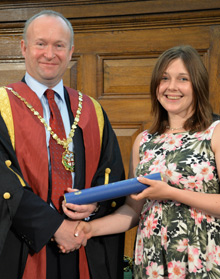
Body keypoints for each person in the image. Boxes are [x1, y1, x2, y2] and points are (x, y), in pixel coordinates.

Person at [66, 45, 220, 278]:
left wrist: (171, 192)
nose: (171, 87)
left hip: (203, 257)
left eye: (183, 79)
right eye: (164, 78)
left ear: (197, 85)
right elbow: (133, 210)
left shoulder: (215, 133)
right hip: (152, 260)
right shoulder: (144, 141)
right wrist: (89, 229)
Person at [0, 9, 125, 279]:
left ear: (70, 52)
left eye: (59, 45)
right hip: (22, 244)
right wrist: (54, 226)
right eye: (41, 43)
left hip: (82, 241)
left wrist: (94, 206)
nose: (50, 53)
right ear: (23, 47)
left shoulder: (91, 109)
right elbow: (2, 180)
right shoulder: (2, 105)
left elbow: (111, 171)